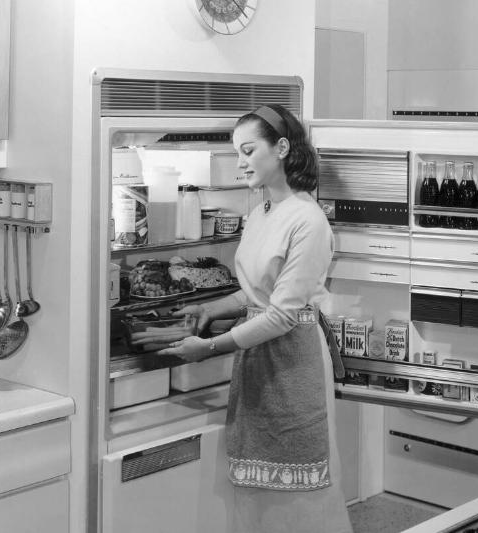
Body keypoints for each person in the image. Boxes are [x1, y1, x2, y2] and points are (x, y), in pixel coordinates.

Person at [132, 104, 352, 533]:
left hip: (293, 361)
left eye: (249, 150)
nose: (241, 162)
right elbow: (254, 293)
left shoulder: (308, 221)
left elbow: (283, 316)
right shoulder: (261, 213)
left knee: (300, 495)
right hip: (257, 360)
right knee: (256, 495)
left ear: (282, 148)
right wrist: (206, 309)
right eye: (237, 152)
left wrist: (210, 346)